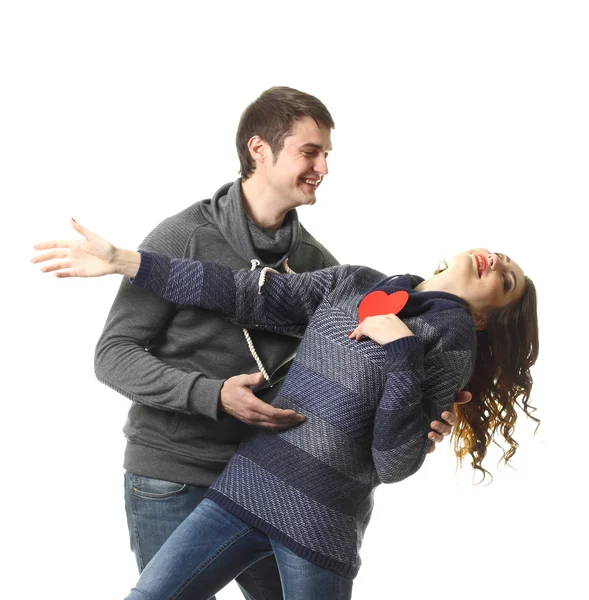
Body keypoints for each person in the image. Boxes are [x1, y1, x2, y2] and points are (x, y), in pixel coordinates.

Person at [51, 87, 462, 600]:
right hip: (172, 476)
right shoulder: (182, 238)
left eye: (327, 154)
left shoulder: (320, 265)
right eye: (309, 152)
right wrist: (212, 394)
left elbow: (350, 378)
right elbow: (113, 356)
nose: (323, 168)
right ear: (258, 150)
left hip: (273, 481)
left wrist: (417, 413)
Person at [32, 222, 539, 600]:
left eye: (508, 280)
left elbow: (394, 462)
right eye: (499, 255)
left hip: (319, 525)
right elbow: (246, 294)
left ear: (480, 318)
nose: (495, 262)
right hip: (244, 488)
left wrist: (402, 351)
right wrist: (126, 261)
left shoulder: (448, 343)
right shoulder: (358, 282)